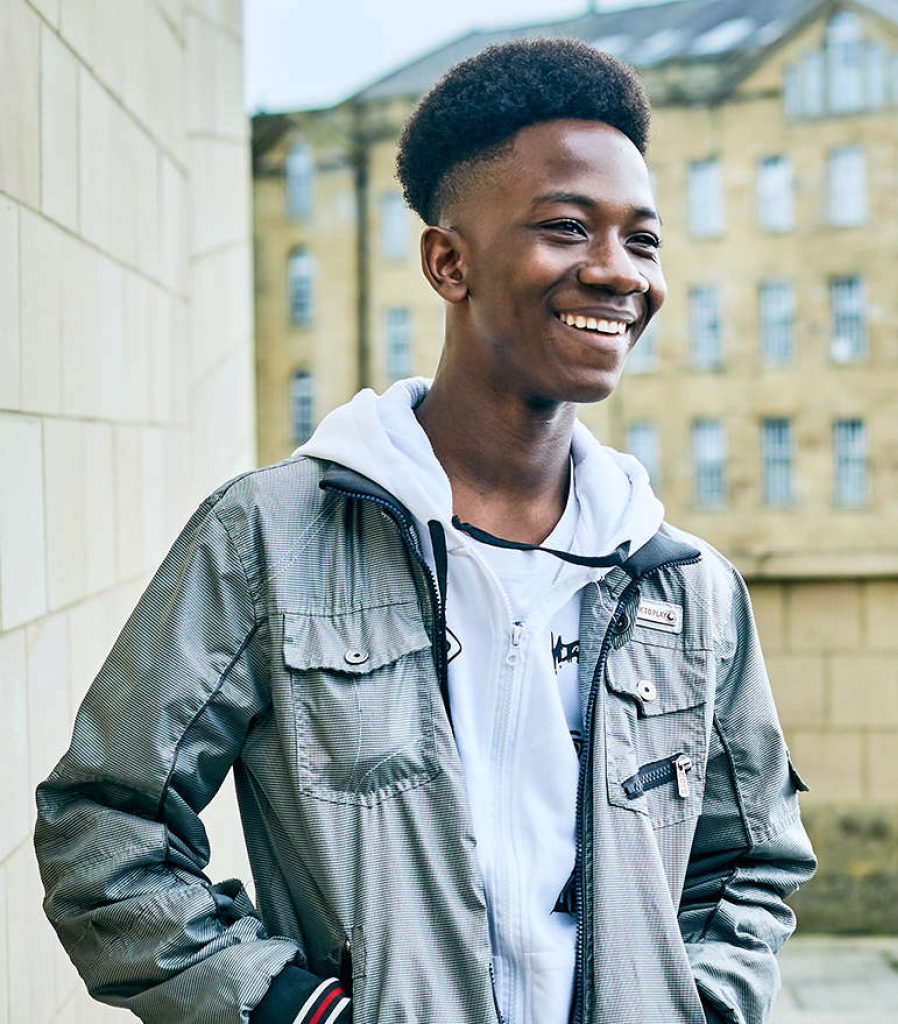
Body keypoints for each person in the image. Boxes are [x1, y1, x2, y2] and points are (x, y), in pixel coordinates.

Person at [35, 37, 816, 1024]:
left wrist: (693, 1005)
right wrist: (295, 1011)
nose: (618, 273)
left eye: (642, 240)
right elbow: (103, 827)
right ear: (449, 260)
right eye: (568, 228)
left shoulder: (685, 586)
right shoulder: (269, 540)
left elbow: (750, 861)